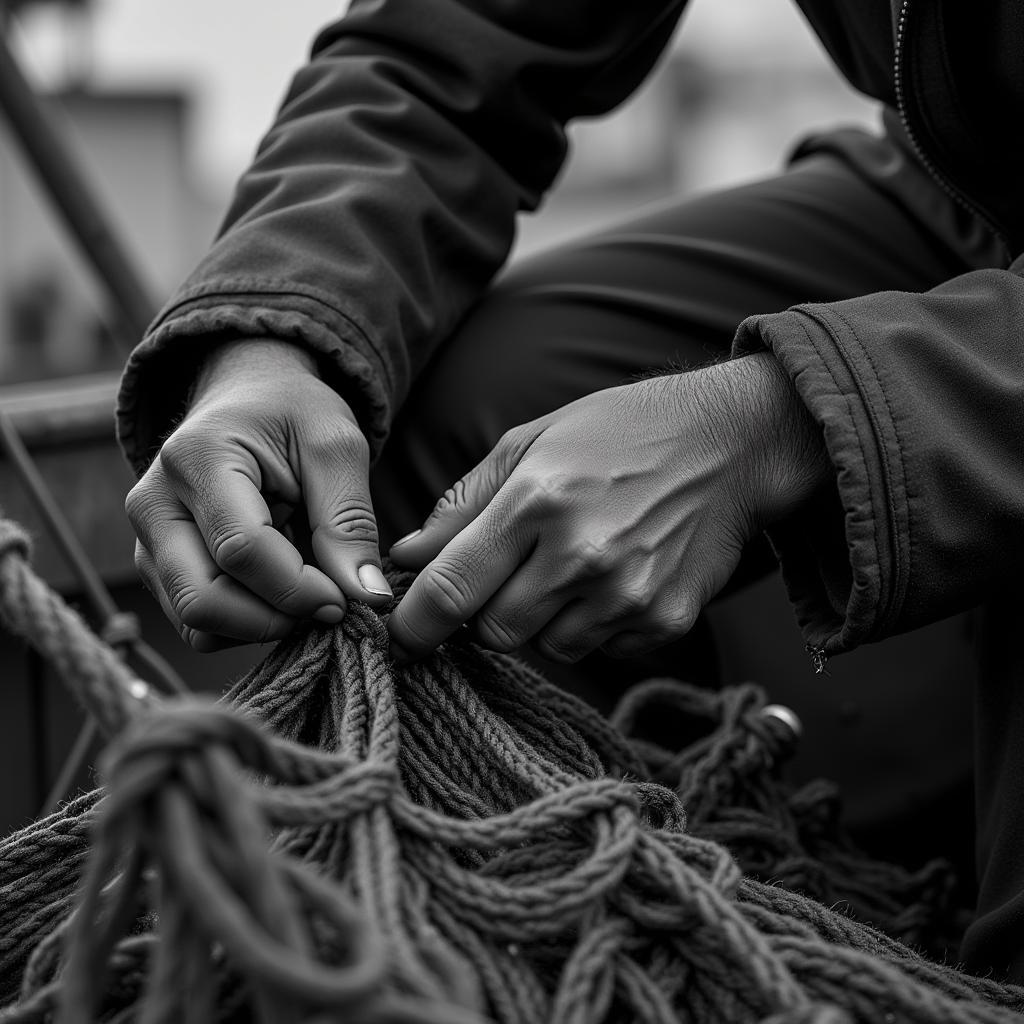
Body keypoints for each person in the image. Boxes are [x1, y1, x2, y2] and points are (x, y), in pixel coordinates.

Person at [118, 0, 1024, 980]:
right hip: (968, 190)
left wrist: (781, 422)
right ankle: (547, 958)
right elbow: (446, 44)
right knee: (475, 397)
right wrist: (273, 335)